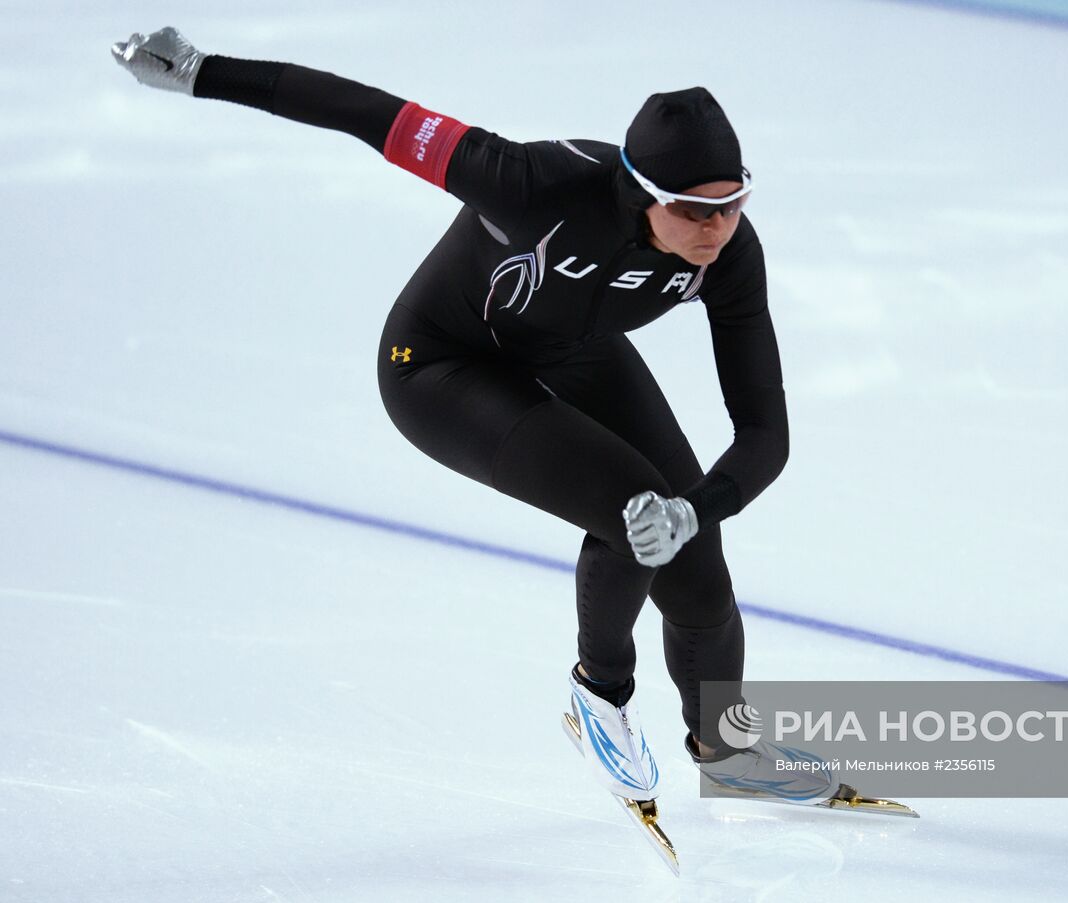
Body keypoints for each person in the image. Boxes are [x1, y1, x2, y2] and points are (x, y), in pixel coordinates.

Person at [110, 27, 842, 815]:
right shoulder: (533, 182)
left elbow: (766, 431)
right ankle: (599, 699)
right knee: (632, 505)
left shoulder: (730, 256)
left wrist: (695, 509)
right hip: (439, 366)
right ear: (641, 191)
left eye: (733, 204)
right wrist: (200, 71)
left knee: (694, 558)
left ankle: (726, 752)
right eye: (695, 210)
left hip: (574, 346)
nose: (717, 229)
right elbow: (371, 114)